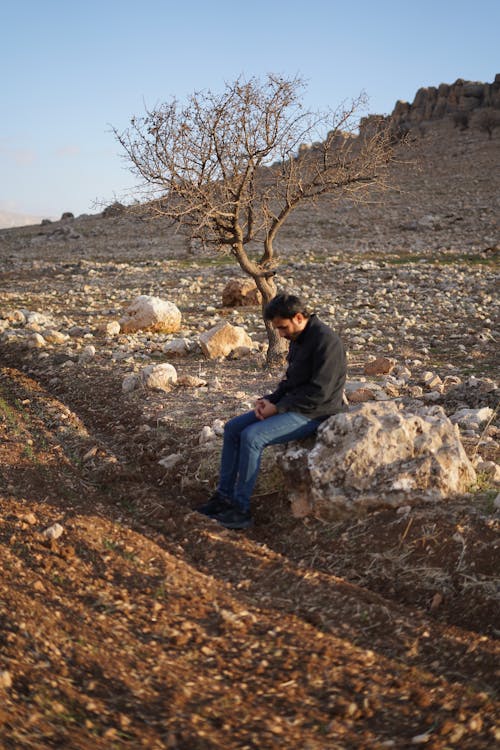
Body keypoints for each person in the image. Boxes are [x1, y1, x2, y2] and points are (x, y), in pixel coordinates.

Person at [196, 293, 347, 529]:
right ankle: (223, 498)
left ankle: (240, 510)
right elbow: (290, 381)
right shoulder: (299, 338)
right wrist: (269, 400)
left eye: (283, 327)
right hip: (293, 406)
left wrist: (279, 407)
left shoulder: (326, 341)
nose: (280, 334)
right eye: (277, 329)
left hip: (316, 412)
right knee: (233, 428)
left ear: (299, 317)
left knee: (252, 437)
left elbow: (320, 392)